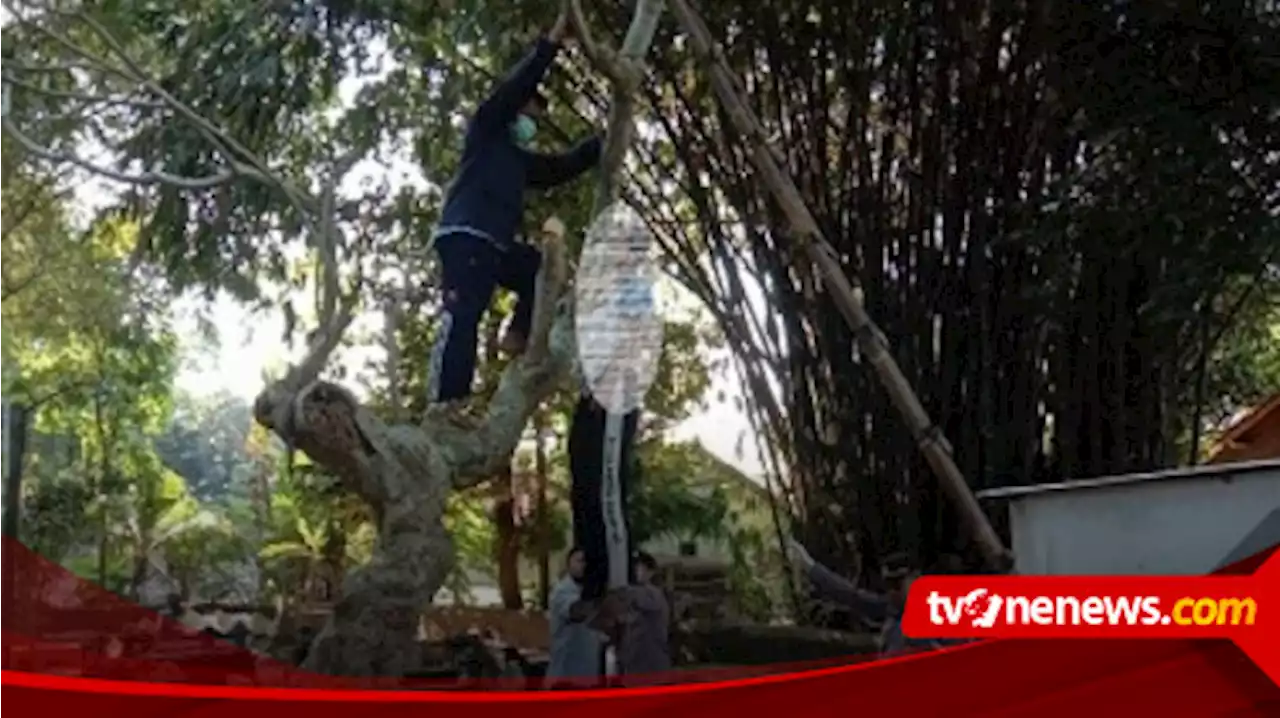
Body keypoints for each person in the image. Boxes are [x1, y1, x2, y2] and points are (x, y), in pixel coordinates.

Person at [426, 9, 603, 422]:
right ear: (514, 110)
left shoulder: (519, 162)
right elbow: (518, 84)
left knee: (541, 269)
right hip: (466, 235)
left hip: (495, 246)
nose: (533, 122)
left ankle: (518, 334)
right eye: (530, 113)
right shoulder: (486, 128)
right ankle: (445, 404)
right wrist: (553, 43)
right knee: (463, 315)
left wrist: (603, 142)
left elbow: (560, 168)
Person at [786, 538, 957, 657]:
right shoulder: (892, 608)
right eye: (889, 586)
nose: (893, 592)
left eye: (898, 584)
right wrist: (810, 567)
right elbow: (853, 596)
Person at [545, 547, 605, 689]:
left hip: (588, 676)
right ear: (569, 564)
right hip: (565, 677)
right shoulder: (562, 590)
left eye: (586, 562)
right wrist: (591, 596)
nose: (583, 565)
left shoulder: (591, 592)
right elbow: (576, 613)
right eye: (579, 561)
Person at [615, 552, 671, 686]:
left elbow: (638, 600)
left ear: (650, 572)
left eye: (640, 568)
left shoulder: (652, 594)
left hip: (650, 663)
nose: (637, 571)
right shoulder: (640, 593)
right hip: (636, 662)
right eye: (636, 568)